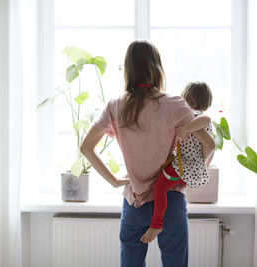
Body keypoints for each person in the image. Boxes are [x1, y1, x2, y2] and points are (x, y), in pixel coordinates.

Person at [80, 40, 214, 267]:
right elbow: (209, 144)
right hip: (171, 199)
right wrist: (191, 173)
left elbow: (86, 147)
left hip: (134, 201)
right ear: (157, 68)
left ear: (129, 69)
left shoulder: (115, 105)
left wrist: (114, 181)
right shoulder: (175, 104)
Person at [140, 81, 216, 243]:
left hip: (182, 167)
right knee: (164, 184)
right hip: (186, 169)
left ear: (188, 98)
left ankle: (156, 224)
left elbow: (206, 119)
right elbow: (210, 148)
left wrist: (186, 129)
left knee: (159, 187)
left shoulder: (194, 116)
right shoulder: (193, 118)